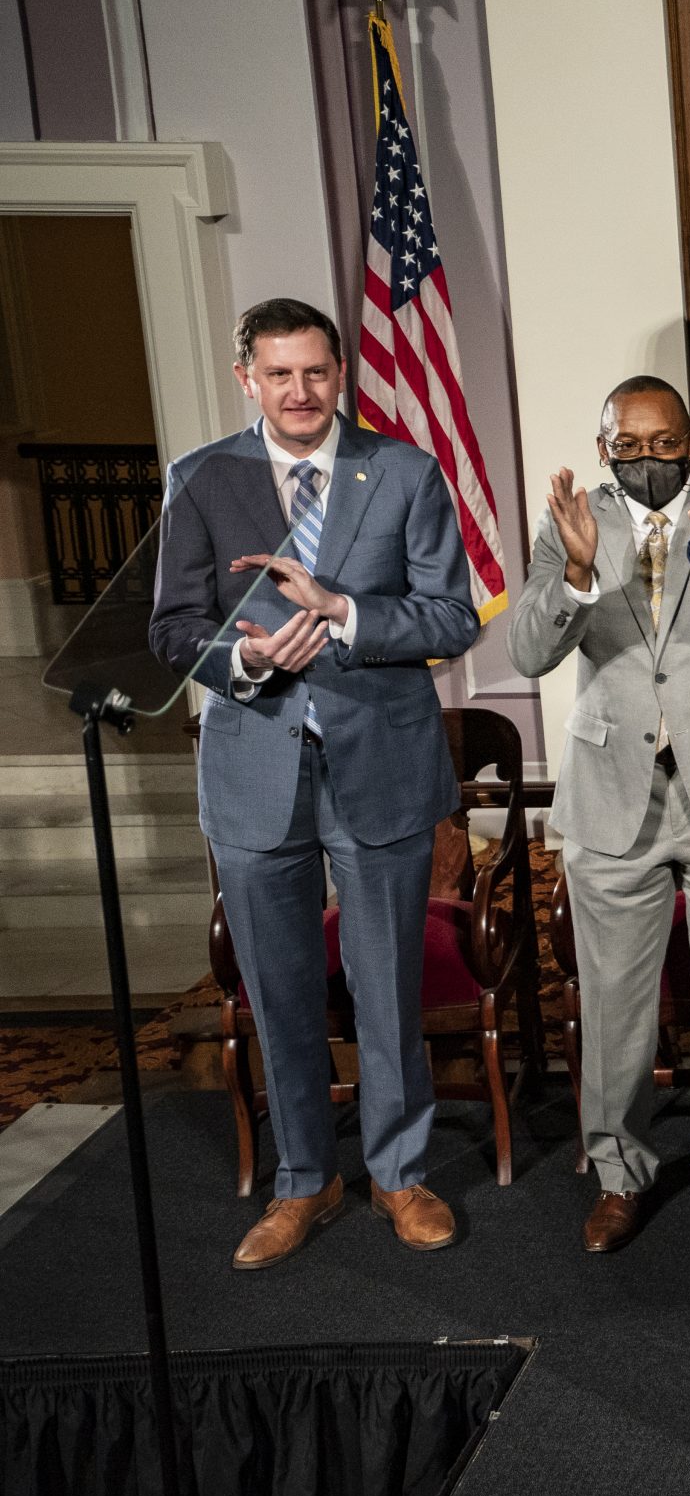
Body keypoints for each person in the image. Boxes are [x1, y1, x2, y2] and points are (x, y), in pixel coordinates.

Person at [148, 297, 481, 1268]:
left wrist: (344, 611)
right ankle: (304, 1181)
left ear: (343, 374)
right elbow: (172, 629)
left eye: (317, 373)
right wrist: (246, 666)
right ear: (246, 377)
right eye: (279, 374)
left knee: (387, 990)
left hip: (380, 761)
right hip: (254, 768)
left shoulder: (407, 471)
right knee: (280, 993)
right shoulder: (202, 480)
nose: (301, 392)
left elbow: (450, 618)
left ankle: (400, 1173)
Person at [507, 378, 690, 1252]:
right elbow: (528, 649)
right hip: (612, 794)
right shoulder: (571, 517)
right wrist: (577, 571)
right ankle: (619, 1174)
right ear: (604, 449)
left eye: (662, 443)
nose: (644, 460)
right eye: (625, 446)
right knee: (614, 1007)